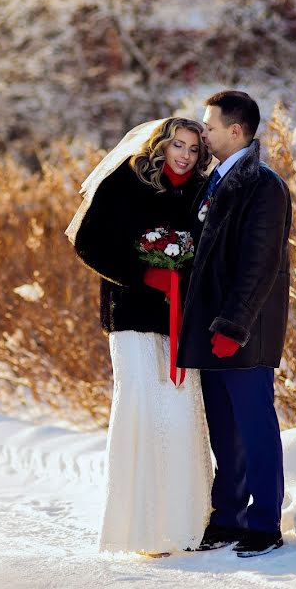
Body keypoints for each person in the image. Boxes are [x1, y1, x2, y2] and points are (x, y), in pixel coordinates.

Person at [66, 118, 214, 557]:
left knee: (181, 411)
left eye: (192, 148)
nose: (185, 155)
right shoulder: (125, 179)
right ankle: (144, 530)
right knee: (143, 409)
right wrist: (142, 272)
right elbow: (87, 242)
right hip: (131, 314)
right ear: (162, 145)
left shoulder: (200, 192)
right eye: (177, 145)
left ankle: (188, 523)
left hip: (179, 316)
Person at [177, 91, 292, 558]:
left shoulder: (263, 186)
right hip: (210, 329)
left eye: (209, 128)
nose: (203, 135)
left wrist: (233, 325)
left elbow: (259, 265)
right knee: (224, 432)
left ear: (236, 131)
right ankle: (227, 517)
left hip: (242, 332)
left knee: (254, 428)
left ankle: (265, 524)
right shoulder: (213, 181)